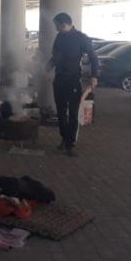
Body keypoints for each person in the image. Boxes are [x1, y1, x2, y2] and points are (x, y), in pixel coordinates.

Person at [45, 12, 99, 156]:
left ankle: (70, 145)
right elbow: (54, 57)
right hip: (59, 81)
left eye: (56, 25)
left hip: (73, 81)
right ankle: (64, 139)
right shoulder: (59, 37)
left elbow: (93, 57)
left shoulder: (81, 38)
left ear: (63, 24)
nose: (55, 28)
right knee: (61, 113)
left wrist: (94, 76)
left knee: (73, 114)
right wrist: (46, 68)